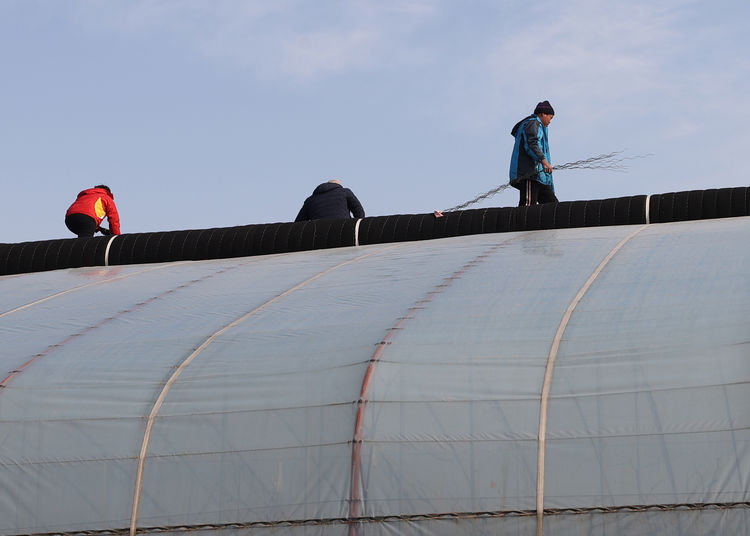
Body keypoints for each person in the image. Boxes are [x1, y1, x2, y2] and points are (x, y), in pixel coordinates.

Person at [509, 100, 558, 206]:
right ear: (543, 114)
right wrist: (544, 162)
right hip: (529, 174)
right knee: (528, 207)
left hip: (540, 176)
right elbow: (531, 144)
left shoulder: (541, 128)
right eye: (550, 117)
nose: (550, 121)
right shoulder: (533, 123)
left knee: (554, 207)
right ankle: (521, 223)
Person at [295, 179, 365, 221]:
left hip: (318, 234)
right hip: (343, 229)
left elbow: (298, 222)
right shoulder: (344, 192)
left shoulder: (309, 200)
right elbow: (359, 211)